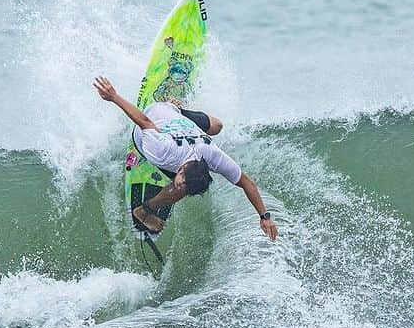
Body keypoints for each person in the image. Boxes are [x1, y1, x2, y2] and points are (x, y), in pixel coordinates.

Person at [93, 76, 278, 240]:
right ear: (180, 169)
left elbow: (246, 182)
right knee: (180, 190)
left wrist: (264, 217)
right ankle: (143, 212)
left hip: (175, 115)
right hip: (151, 124)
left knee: (217, 126)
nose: (180, 183)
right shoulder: (163, 150)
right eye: (181, 179)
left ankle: (176, 104)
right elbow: (144, 121)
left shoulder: (211, 154)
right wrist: (113, 97)